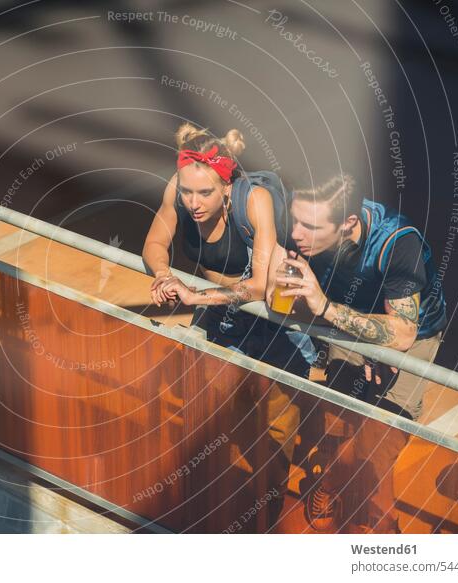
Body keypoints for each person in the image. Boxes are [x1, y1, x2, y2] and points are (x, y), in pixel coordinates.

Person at [142, 123, 315, 530]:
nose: (193, 202)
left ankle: (266, 521)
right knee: (208, 418)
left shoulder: (253, 200)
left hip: (276, 318)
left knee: (274, 433)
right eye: (187, 192)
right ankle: (206, 513)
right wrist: (165, 275)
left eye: (205, 193)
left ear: (225, 186)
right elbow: (153, 243)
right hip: (222, 309)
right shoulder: (178, 189)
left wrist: (194, 296)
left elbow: (259, 285)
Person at [267, 173, 447, 533]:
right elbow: (277, 300)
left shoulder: (397, 242)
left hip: (413, 332)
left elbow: (402, 334)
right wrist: (283, 281)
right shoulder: (302, 231)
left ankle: (379, 521)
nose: (297, 233)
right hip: (344, 318)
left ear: (348, 223)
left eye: (310, 226)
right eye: (295, 220)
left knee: (382, 436)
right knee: (338, 414)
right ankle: (332, 483)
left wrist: (326, 308)